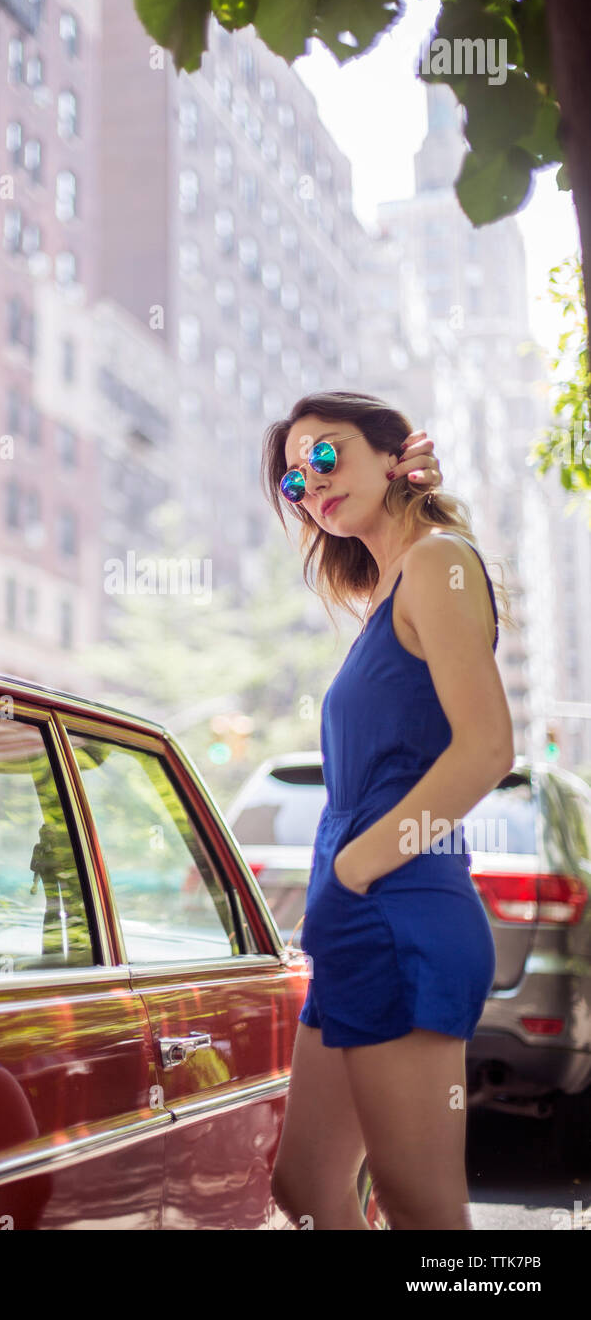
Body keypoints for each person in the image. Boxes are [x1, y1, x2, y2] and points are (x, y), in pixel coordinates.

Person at [261, 391, 514, 1231]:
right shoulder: (390, 588)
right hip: (356, 928)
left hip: (402, 914)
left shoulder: (441, 561)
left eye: (325, 456)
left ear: (392, 454)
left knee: (425, 1215)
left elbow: (485, 751)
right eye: (295, 480)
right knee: (306, 1186)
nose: (311, 482)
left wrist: (362, 863)